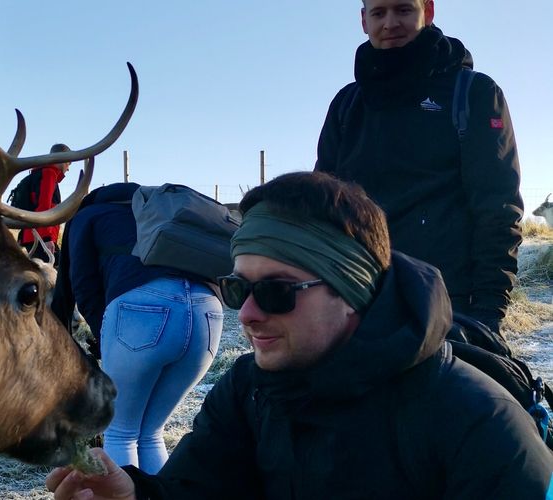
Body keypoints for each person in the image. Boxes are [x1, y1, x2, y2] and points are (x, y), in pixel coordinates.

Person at [46, 172, 553, 499]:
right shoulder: (247, 392)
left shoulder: (479, 425)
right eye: (236, 287)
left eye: (276, 292)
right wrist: (133, 497)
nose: (245, 314)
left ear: (354, 291)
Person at [315, 0, 523, 335]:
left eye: (403, 10)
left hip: (450, 306)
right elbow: (322, 209)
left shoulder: (474, 93)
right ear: (363, 21)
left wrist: (488, 311)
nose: (390, 23)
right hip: (358, 301)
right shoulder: (346, 105)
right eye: (378, 13)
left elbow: (497, 207)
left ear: (428, 10)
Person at [50, 182, 224, 474]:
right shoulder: (160, 209)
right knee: (151, 433)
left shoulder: (89, 215)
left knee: (120, 432)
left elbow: (81, 285)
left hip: (141, 308)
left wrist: (103, 338)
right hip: (209, 311)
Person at [16, 143, 73, 264]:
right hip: (39, 238)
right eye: (68, 163)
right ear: (62, 159)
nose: (68, 168)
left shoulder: (40, 173)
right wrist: (46, 238)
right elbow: (43, 207)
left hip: (34, 235)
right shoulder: (49, 173)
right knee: (64, 270)